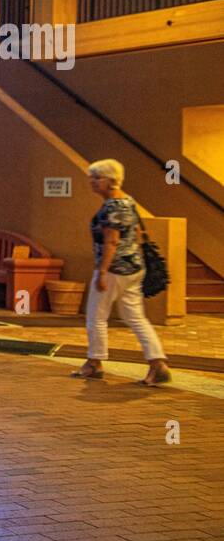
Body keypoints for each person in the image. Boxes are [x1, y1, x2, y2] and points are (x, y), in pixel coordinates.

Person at [72, 159, 171, 386]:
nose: (92, 182)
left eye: (98, 178)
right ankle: (158, 363)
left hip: (114, 269)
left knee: (96, 316)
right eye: (92, 177)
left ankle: (94, 362)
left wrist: (102, 271)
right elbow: (135, 232)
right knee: (135, 317)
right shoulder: (128, 202)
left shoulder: (112, 207)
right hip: (134, 268)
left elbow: (112, 241)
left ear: (112, 180)